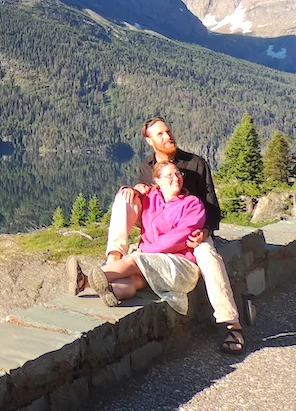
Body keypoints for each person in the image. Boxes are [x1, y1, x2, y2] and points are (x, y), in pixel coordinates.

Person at [84, 117, 245, 353]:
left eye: (168, 132)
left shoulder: (195, 163)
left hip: (193, 229)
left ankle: (232, 325)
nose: (167, 137)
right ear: (150, 141)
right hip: (159, 222)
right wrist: (134, 191)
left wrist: (205, 231)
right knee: (124, 198)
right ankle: (113, 260)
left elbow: (211, 206)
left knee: (209, 258)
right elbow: (149, 199)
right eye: (160, 134)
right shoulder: (146, 167)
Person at [73, 161, 205, 315]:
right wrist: (129, 189)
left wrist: (144, 251)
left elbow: (178, 238)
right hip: (153, 266)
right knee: (135, 281)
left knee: (133, 261)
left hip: (180, 266)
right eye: (169, 175)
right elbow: (125, 201)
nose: (176, 178)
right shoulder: (150, 197)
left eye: (178, 174)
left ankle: (86, 281)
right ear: (157, 181)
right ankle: (113, 292)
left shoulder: (193, 204)